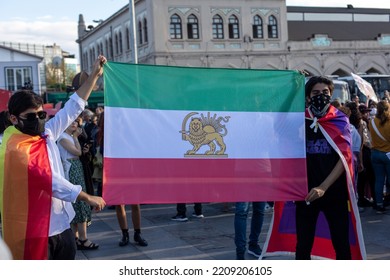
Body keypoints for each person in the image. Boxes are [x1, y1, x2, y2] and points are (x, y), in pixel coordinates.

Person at [0, 55, 107, 260]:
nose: (38, 120)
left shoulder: (46, 133)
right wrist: (87, 197)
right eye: (31, 117)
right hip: (35, 229)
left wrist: (94, 74)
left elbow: (73, 106)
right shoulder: (14, 148)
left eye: (41, 115)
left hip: (60, 223)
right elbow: (48, 180)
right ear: (14, 119)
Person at [297, 76, 352, 260]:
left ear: (330, 94)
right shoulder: (299, 120)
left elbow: (344, 158)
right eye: (315, 93)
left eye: (325, 93)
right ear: (307, 97)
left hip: (334, 193)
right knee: (303, 246)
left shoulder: (340, 120)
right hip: (305, 193)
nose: (321, 96)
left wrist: (323, 187)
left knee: (342, 244)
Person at [57, 120, 98, 250]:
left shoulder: (69, 136)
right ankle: (82, 238)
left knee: (78, 203)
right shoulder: (63, 137)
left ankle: (77, 238)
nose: (74, 124)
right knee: (78, 203)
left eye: (76, 122)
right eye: (71, 122)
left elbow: (79, 151)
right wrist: (75, 137)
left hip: (76, 167)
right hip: (71, 169)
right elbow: (77, 152)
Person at [368, 100, 390, 213]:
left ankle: (379, 204)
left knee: (379, 180)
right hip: (388, 154)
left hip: (375, 153)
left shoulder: (371, 122)